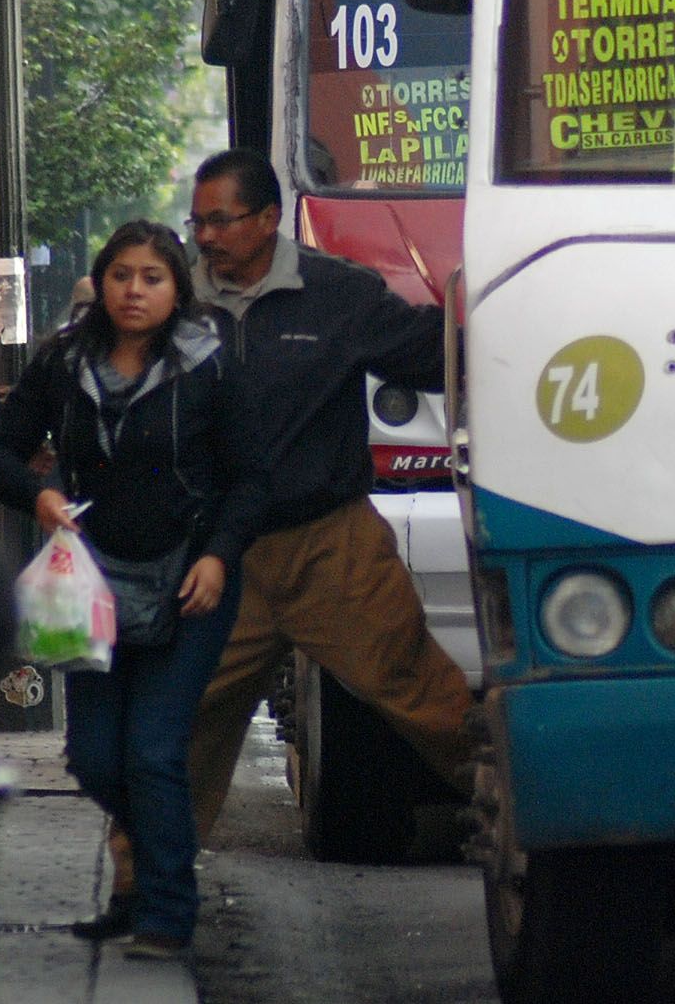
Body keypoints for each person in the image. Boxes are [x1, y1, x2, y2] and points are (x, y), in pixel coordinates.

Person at [88, 149, 470, 926]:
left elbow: (436, 357)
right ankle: (139, 888)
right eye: (197, 221)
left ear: (268, 219)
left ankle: (534, 821)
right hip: (211, 561)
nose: (206, 236)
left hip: (332, 548)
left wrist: (503, 323)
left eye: (221, 220)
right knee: (177, 721)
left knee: (424, 697)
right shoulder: (171, 300)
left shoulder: (339, 295)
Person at [0, 221, 264, 961]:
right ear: (102, 283)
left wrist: (220, 557)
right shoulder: (62, 362)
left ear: (177, 290)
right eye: (122, 276)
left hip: (188, 583)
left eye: (153, 278)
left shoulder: (212, 365)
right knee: (96, 756)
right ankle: (137, 886)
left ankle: (167, 910)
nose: (135, 291)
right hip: (88, 588)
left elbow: (251, 478)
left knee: (156, 752)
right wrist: (38, 494)